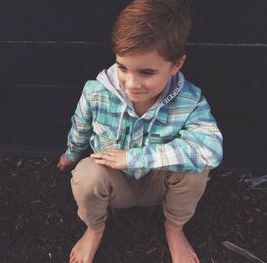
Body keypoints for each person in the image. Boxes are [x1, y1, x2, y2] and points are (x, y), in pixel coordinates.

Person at [57, 0, 223, 262]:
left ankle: (174, 229)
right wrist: (71, 153)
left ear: (176, 64)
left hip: (159, 185)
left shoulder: (190, 102)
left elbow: (211, 150)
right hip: (115, 186)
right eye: (123, 67)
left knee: (197, 169)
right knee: (87, 175)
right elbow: (81, 126)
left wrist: (135, 157)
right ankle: (94, 229)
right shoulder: (96, 92)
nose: (131, 83)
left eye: (146, 72)